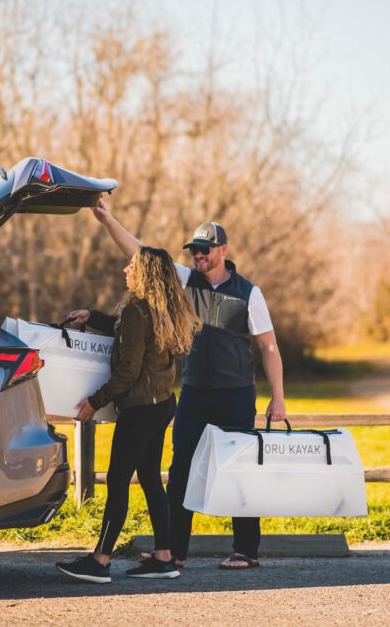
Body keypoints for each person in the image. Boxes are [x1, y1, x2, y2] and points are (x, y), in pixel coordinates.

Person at [87, 199, 286, 571]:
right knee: (180, 471)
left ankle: (246, 550)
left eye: (205, 251)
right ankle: (173, 552)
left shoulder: (249, 293)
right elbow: (141, 254)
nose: (198, 256)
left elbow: (269, 346)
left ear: (223, 251)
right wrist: (108, 220)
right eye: (194, 251)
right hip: (193, 393)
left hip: (235, 394)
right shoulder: (183, 281)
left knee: (239, 469)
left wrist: (279, 398)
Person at [55, 246, 199, 584]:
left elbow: (128, 370)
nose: (125, 269)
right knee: (149, 478)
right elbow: (128, 334)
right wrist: (93, 317)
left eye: (132, 265)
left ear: (145, 272)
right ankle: (164, 557)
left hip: (140, 409)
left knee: (118, 480)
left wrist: (96, 400)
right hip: (162, 404)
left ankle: (100, 560)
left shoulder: (138, 308)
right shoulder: (161, 308)